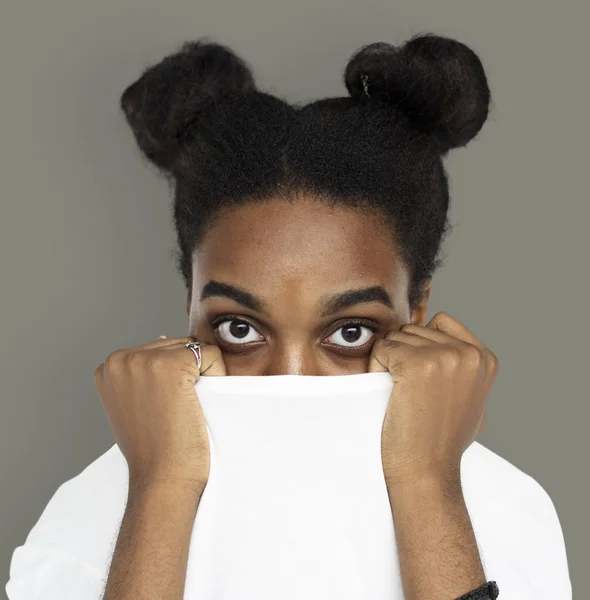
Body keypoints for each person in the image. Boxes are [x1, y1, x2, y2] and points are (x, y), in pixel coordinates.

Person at [6, 33, 571, 600]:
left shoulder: (500, 510)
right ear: (191, 306)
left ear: (417, 310)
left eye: (350, 333)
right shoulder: (94, 515)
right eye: (240, 329)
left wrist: (427, 485)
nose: (291, 380)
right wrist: (160, 488)